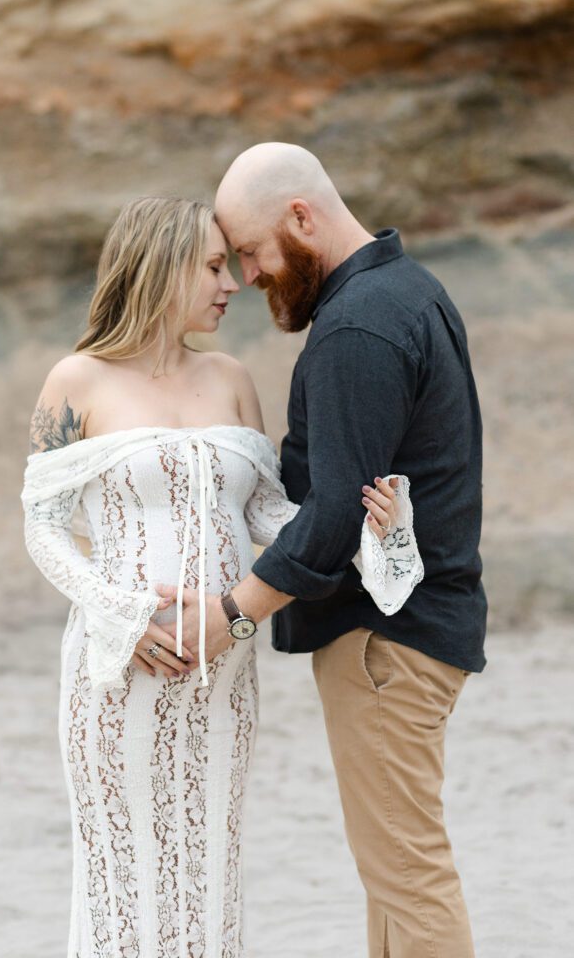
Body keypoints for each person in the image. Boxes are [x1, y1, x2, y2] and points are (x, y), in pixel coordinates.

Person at [20, 194, 423, 958]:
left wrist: (375, 540)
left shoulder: (233, 377)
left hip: (222, 669)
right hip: (117, 670)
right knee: (120, 875)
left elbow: (270, 518)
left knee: (208, 867)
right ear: (159, 265)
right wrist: (124, 614)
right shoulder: (76, 380)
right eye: (210, 266)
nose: (231, 282)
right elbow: (43, 527)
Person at [169, 143, 486, 958]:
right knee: (393, 876)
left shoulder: (357, 327)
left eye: (251, 250)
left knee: (407, 876)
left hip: (386, 642)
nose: (246, 275)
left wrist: (230, 615)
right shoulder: (407, 292)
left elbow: (335, 515)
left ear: (300, 218)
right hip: (413, 632)